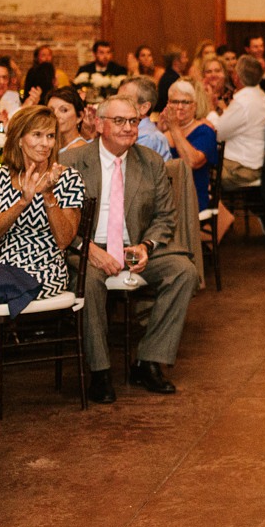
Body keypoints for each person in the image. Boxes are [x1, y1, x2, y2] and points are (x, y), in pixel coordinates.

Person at [68, 93, 198, 399]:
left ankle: (148, 360)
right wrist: (87, 247)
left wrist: (147, 246)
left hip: (134, 246)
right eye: (119, 121)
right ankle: (100, 373)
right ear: (99, 124)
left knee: (183, 271)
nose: (128, 127)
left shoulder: (150, 161)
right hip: (87, 247)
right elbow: (57, 222)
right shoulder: (72, 162)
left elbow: (165, 216)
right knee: (89, 281)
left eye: (133, 121)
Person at [0, 103, 85, 296]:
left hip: (45, 267)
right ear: (19, 140)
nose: (45, 143)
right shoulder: (2, 176)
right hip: (2, 264)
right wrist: (23, 201)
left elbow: (64, 240)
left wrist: (48, 196)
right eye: (37, 135)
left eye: (50, 136)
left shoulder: (68, 178)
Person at [158, 76, 231, 239]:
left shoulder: (205, 131)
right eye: (174, 102)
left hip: (191, 199)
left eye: (185, 102)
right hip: (163, 195)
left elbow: (192, 162)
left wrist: (174, 129)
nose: (179, 107)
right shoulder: (162, 131)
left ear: (195, 106)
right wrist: (159, 131)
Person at [216, 54, 265, 193]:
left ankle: (214, 212)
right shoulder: (262, 98)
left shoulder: (243, 102)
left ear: (236, 77)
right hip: (260, 164)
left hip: (241, 169)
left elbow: (218, 133)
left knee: (200, 171)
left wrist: (212, 112)